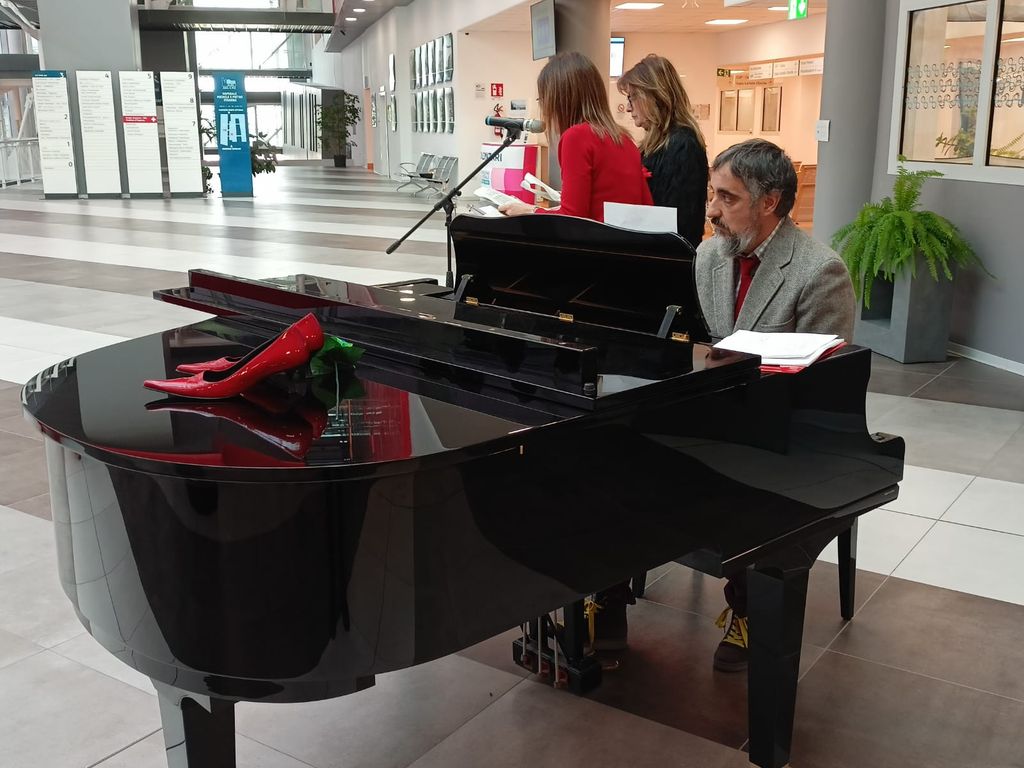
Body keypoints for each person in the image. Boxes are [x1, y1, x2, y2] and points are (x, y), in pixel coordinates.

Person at [697, 138, 855, 672]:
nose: (712, 211)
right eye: (712, 195)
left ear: (770, 202)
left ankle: (749, 609)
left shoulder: (819, 271)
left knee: (749, 490)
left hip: (785, 431)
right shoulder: (708, 255)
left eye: (727, 198)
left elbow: (825, 392)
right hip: (719, 418)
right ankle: (605, 595)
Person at [499, 51, 652, 222]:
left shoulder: (576, 137)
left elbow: (572, 218)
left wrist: (530, 211)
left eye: (543, 99)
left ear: (558, 99)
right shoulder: (623, 138)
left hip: (594, 238)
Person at [617, 54, 709, 248]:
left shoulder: (683, 145)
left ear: (653, 97)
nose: (628, 108)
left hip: (669, 254)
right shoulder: (655, 144)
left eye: (632, 98)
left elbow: (678, 220)